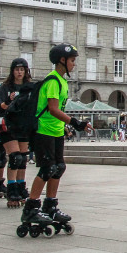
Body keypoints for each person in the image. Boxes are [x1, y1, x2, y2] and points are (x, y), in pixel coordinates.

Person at [20, 44, 90, 230]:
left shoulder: (62, 81)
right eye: (72, 60)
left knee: (58, 167)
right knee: (47, 168)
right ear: (62, 61)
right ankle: (31, 207)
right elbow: (52, 109)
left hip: (56, 131)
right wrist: (74, 122)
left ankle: (50, 206)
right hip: (43, 131)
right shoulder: (53, 81)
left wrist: (66, 126)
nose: (74, 64)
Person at [0, 57, 31, 208]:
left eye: (22, 69)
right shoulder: (5, 87)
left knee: (22, 159)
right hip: (8, 124)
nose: (19, 72)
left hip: (23, 125)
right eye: (17, 69)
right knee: (14, 158)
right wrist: (9, 101)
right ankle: (11, 188)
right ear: (12, 71)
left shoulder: (29, 87)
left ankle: (21, 186)